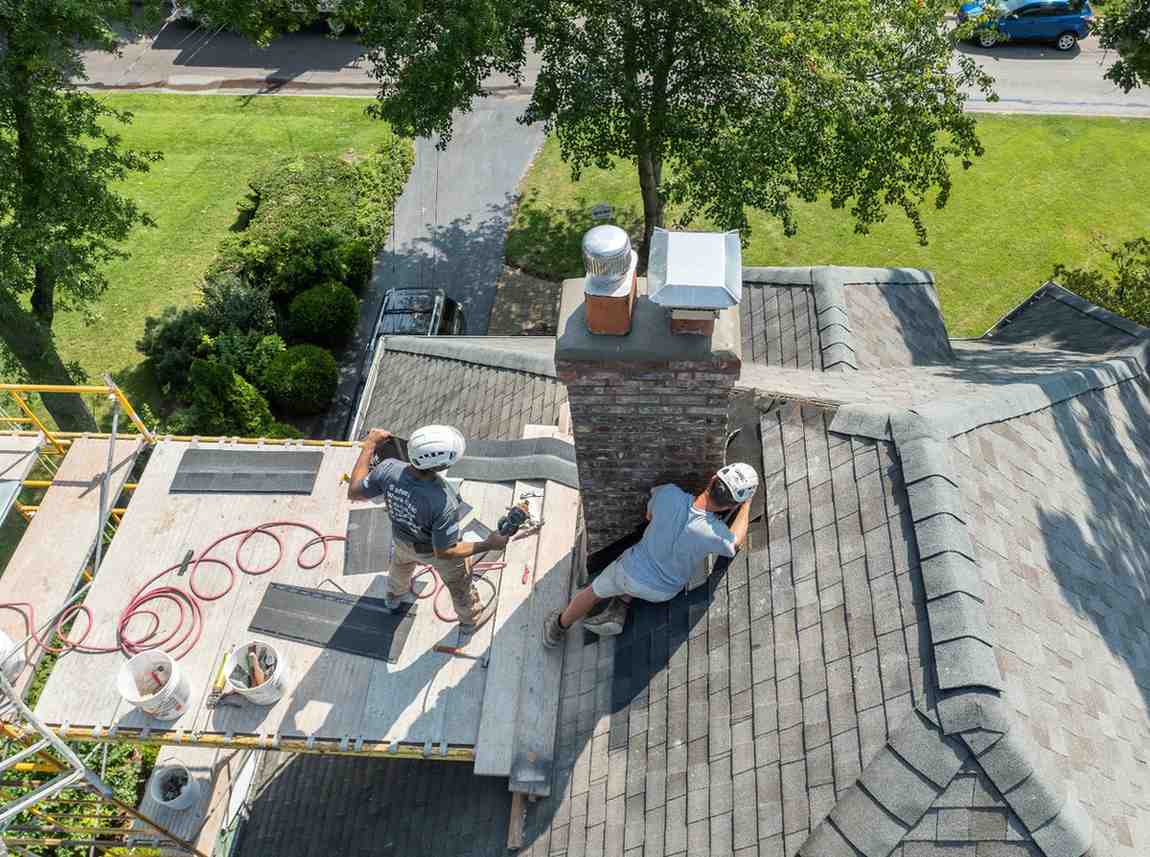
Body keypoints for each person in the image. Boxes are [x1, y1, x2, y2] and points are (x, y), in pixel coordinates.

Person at [543, 463, 758, 646]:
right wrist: (746, 506)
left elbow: (649, 514)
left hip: (629, 573)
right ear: (732, 504)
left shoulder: (668, 493)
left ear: (712, 479)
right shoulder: (714, 534)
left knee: (593, 591)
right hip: (665, 591)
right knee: (642, 571)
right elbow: (735, 541)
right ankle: (619, 609)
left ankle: (557, 627)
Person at [348, 424, 508, 633]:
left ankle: (394, 597)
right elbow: (444, 551)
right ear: (441, 466)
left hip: (402, 540)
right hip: (432, 550)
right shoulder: (443, 503)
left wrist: (370, 444)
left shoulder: (387, 468)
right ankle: (470, 620)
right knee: (459, 584)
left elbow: (354, 491)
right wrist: (489, 544)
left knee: (400, 566)